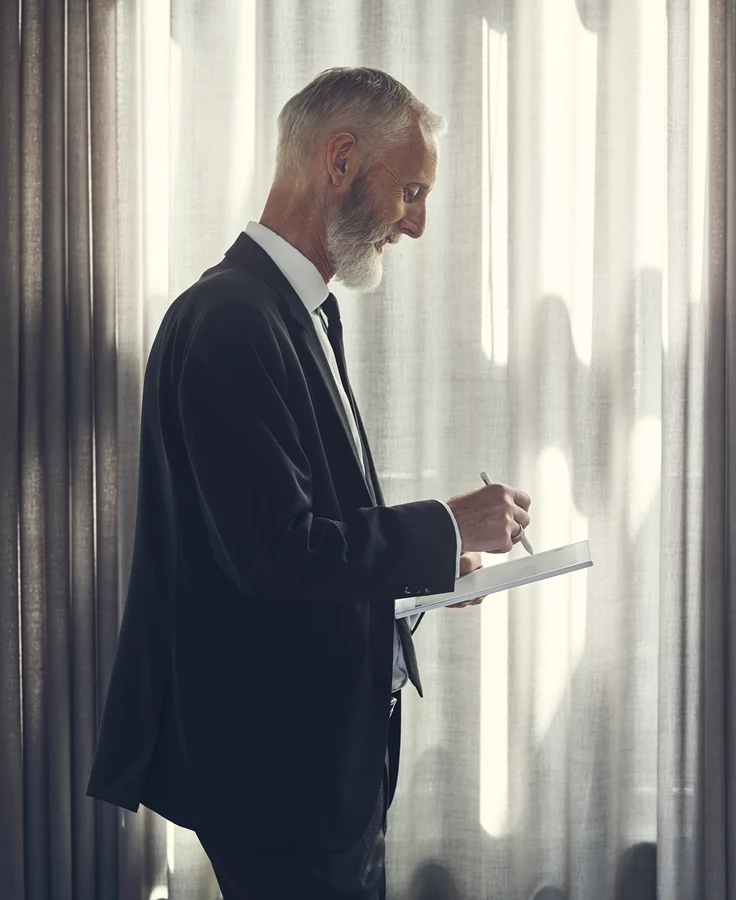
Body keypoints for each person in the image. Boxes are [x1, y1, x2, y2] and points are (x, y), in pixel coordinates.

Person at [88, 67, 532, 899]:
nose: (419, 223)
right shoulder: (230, 322)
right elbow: (276, 554)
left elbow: (303, 543)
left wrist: (429, 576)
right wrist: (444, 525)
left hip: (318, 769)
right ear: (339, 160)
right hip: (280, 774)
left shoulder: (296, 314)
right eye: (410, 189)